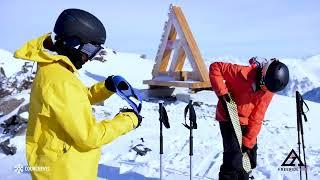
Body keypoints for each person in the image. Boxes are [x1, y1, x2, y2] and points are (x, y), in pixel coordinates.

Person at [14, 9, 142, 180]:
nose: (89, 57)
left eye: (95, 51)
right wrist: (129, 120)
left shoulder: (54, 69)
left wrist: (106, 88)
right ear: (73, 42)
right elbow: (89, 137)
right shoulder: (60, 80)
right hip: (65, 172)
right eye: (90, 49)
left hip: (60, 166)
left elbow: (76, 100)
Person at [209, 57, 289, 180]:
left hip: (246, 120)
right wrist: (223, 95)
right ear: (263, 75)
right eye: (265, 86)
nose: (265, 90)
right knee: (234, 158)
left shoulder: (268, 89)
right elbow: (215, 68)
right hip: (228, 116)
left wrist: (249, 140)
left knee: (250, 159)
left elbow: (258, 114)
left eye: (268, 90)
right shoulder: (240, 73)